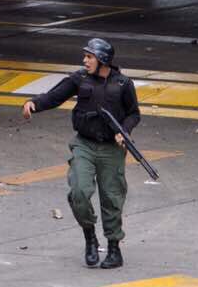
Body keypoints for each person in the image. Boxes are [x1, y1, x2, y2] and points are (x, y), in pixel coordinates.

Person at [22, 38, 140, 269]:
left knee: (112, 198)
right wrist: (33, 103)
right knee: (79, 192)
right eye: (85, 56)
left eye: (89, 57)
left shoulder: (124, 84)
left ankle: (114, 249)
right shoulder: (80, 79)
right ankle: (90, 238)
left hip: (112, 149)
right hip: (84, 145)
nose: (85, 60)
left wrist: (124, 131)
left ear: (102, 59)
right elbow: (55, 96)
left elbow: (134, 114)